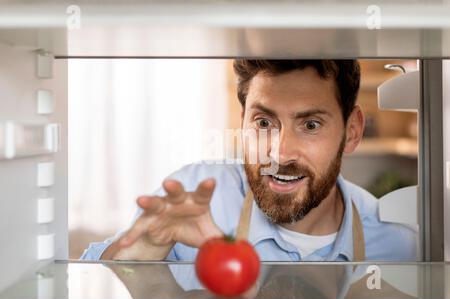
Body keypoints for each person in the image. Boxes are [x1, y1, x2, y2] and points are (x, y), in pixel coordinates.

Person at [81, 60, 417, 262]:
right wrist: (142, 252)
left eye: (310, 125)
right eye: (263, 123)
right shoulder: (192, 196)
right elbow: (84, 284)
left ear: (353, 131)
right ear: (242, 122)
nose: (279, 154)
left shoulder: (398, 243)